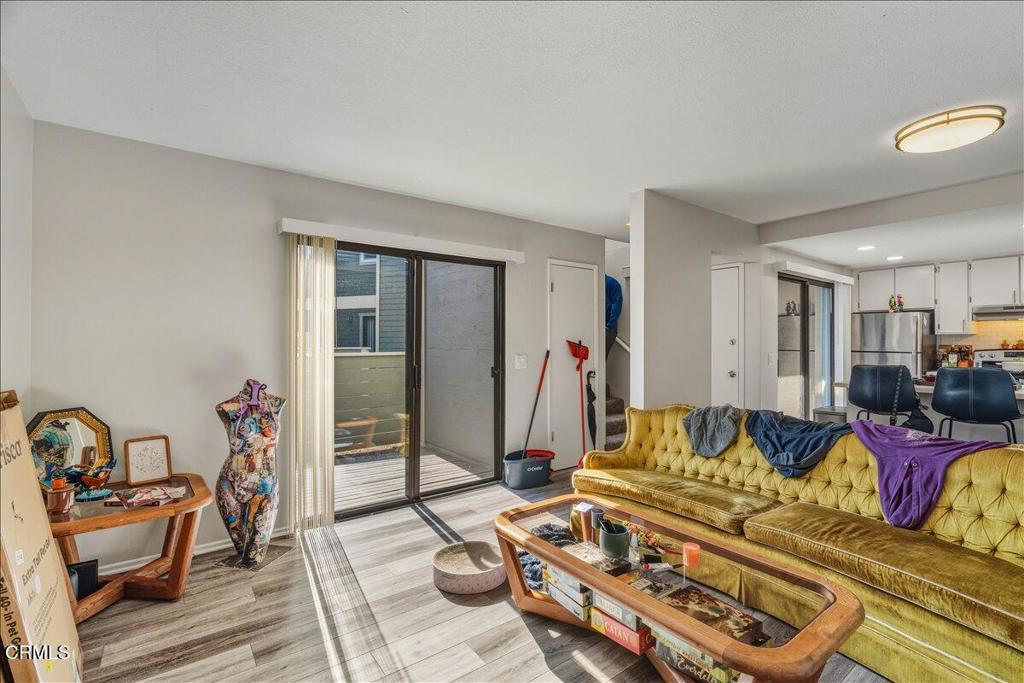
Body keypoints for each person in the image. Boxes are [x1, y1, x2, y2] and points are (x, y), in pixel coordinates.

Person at [605, 274, 623, 358]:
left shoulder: (611, 283)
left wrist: (609, 325)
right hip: (607, 328)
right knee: (600, 359)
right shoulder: (612, 283)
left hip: (607, 328)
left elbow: (616, 306)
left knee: (599, 359)